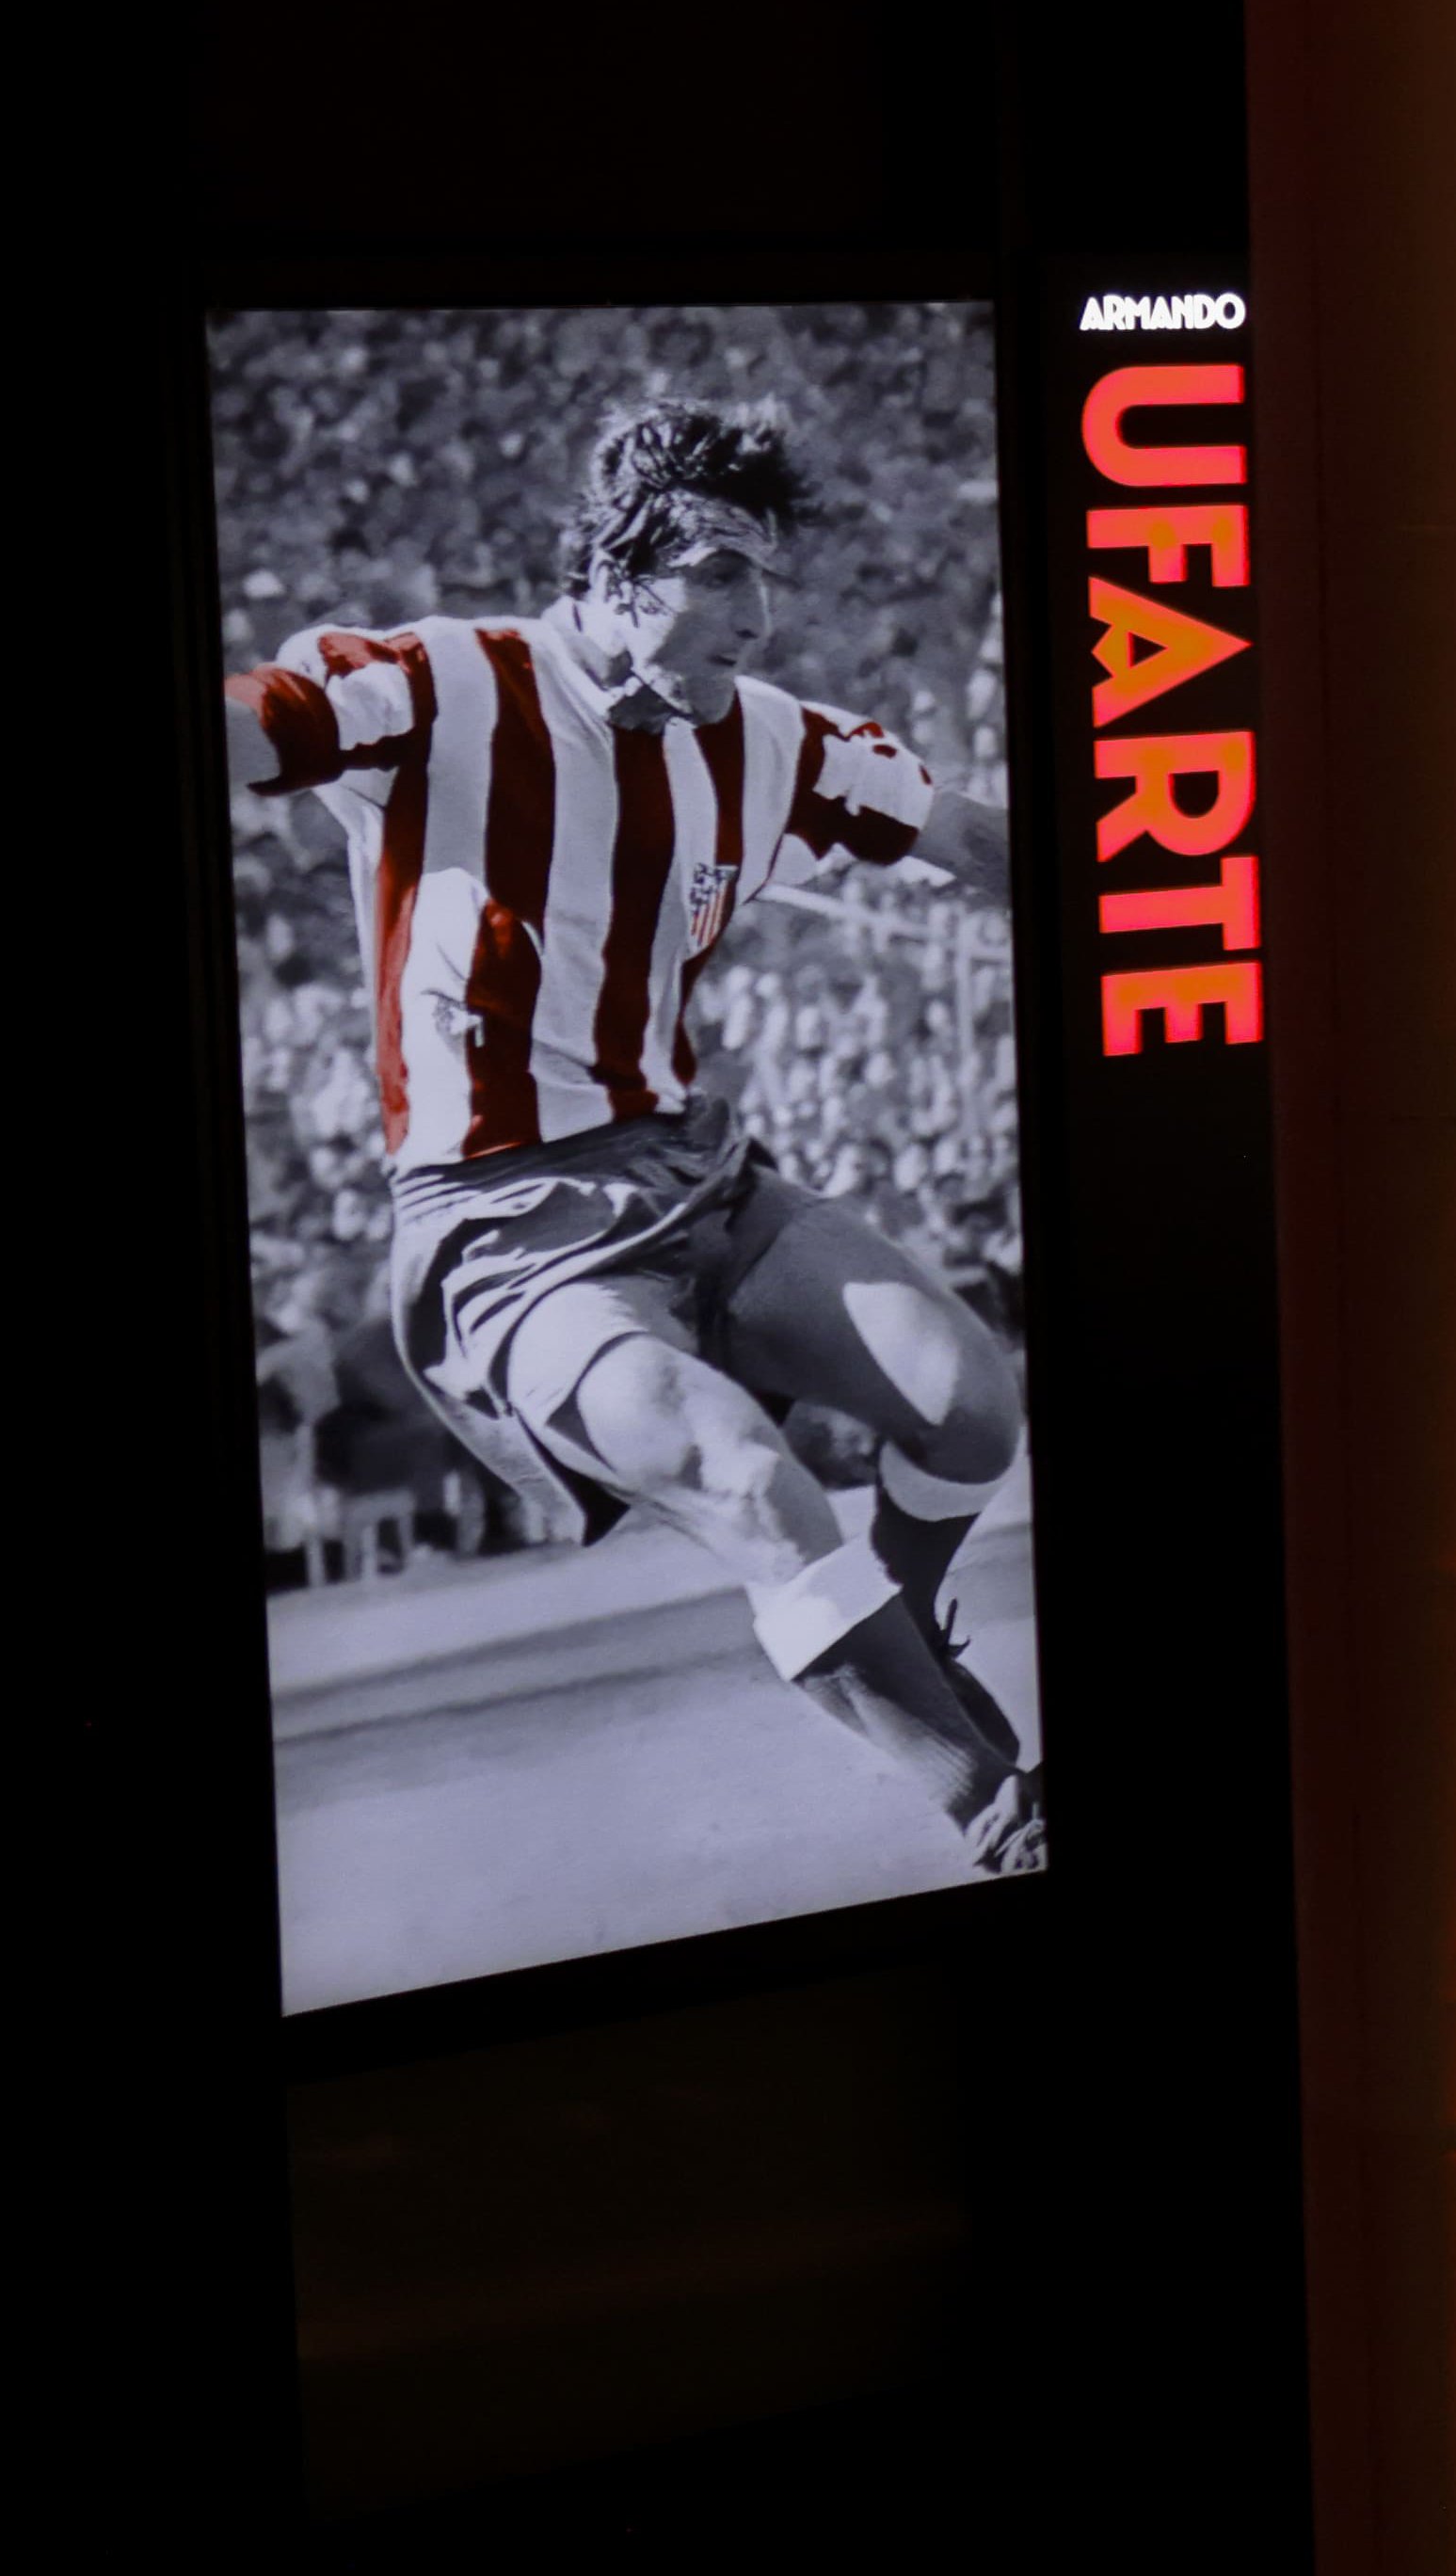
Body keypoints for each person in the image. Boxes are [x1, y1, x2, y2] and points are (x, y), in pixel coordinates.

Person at [221, 398, 1041, 1870]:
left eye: (770, 577)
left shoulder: (775, 743)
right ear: (616, 564)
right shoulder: (440, 684)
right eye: (725, 571)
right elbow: (249, 727)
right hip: (500, 1225)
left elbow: (980, 845)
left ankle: (893, 1627)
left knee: (971, 1396)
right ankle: (997, 1805)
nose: (760, 616)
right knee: (740, 1474)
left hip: (696, 1176)